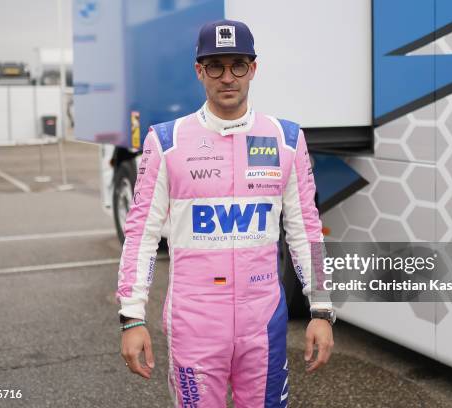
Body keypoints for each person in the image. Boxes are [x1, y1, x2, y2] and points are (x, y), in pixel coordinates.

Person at [116, 19, 335, 407]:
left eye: (237, 64)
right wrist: (132, 317)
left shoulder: (286, 138)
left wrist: (320, 308)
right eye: (215, 65)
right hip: (194, 324)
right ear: (199, 71)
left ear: (253, 68)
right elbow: (141, 235)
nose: (227, 77)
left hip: (263, 324)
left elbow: (306, 231)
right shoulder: (165, 141)